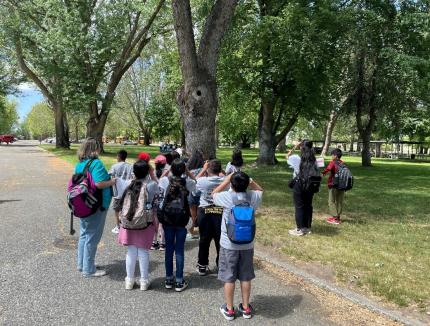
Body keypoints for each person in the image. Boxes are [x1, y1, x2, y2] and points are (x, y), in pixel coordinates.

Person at [213, 172, 263, 320]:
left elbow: (214, 193)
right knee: (245, 277)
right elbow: (260, 190)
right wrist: (251, 181)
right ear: (247, 184)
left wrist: (226, 180)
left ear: (232, 184)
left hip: (229, 244)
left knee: (229, 277)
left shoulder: (227, 198)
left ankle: (229, 310)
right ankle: (246, 308)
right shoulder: (253, 197)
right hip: (247, 244)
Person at [75, 138, 116, 277]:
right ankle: (89, 269)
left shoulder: (80, 164)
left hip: (83, 204)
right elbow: (99, 184)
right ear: (94, 148)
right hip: (96, 204)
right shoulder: (96, 163)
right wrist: (112, 181)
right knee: (92, 237)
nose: (100, 149)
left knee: (84, 234)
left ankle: (82, 265)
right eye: (99, 147)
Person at [117, 160, 159, 290]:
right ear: (147, 172)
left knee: (131, 251)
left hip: (129, 221)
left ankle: (129, 280)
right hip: (144, 222)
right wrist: (151, 173)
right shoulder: (151, 185)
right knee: (143, 251)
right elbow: (158, 186)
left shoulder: (126, 184)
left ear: (133, 172)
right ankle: (144, 281)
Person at [158, 159, 196, 292]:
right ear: (184, 170)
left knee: (169, 249)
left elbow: (159, 182)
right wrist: (188, 172)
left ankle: (169, 278)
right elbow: (196, 184)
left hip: (167, 218)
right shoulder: (188, 182)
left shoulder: (165, 181)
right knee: (179, 249)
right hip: (182, 218)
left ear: (172, 170)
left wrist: (167, 172)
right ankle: (179, 280)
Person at [195, 159, 225, 276]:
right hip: (220, 210)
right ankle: (221, 265)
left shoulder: (203, 181)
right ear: (220, 170)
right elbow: (229, 178)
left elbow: (195, 180)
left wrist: (203, 169)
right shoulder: (225, 181)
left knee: (204, 239)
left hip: (205, 210)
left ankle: (202, 265)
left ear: (208, 169)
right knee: (220, 239)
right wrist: (221, 170)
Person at [286, 140, 319, 236]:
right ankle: (307, 227)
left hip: (299, 184)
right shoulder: (315, 159)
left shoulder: (296, 158)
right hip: (311, 184)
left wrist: (294, 147)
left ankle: (300, 229)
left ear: (301, 147)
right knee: (308, 205)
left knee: (299, 206)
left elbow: (287, 156)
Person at [109, 150, 133, 234]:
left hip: (117, 192)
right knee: (125, 209)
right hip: (127, 192)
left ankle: (118, 226)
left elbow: (110, 176)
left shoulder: (114, 166)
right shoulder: (130, 166)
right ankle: (124, 225)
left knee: (116, 210)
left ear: (118, 157)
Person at [186, 149, 205, 241]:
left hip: (192, 194)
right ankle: (202, 233)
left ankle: (191, 233)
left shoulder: (189, 170)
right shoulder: (204, 170)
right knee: (201, 215)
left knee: (192, 215)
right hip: (202, 194)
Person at [323, 148, 345, 225]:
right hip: (342, 184)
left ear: (335, 156)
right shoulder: (343, 163)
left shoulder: (333, 163)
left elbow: (327, 169)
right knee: (339, 201)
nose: (331, 156)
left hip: (333, 184)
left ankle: (335, 218)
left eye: (332, 155)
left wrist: (321, 174)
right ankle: (338, 217)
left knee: (331, 201)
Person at [152, 154, 167, 251]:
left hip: (153, 201)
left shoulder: (151, 174)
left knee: (154, 222)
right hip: (163, 202)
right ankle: (162, 243)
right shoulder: (166, 176)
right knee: (162, 223)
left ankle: (154, 242)